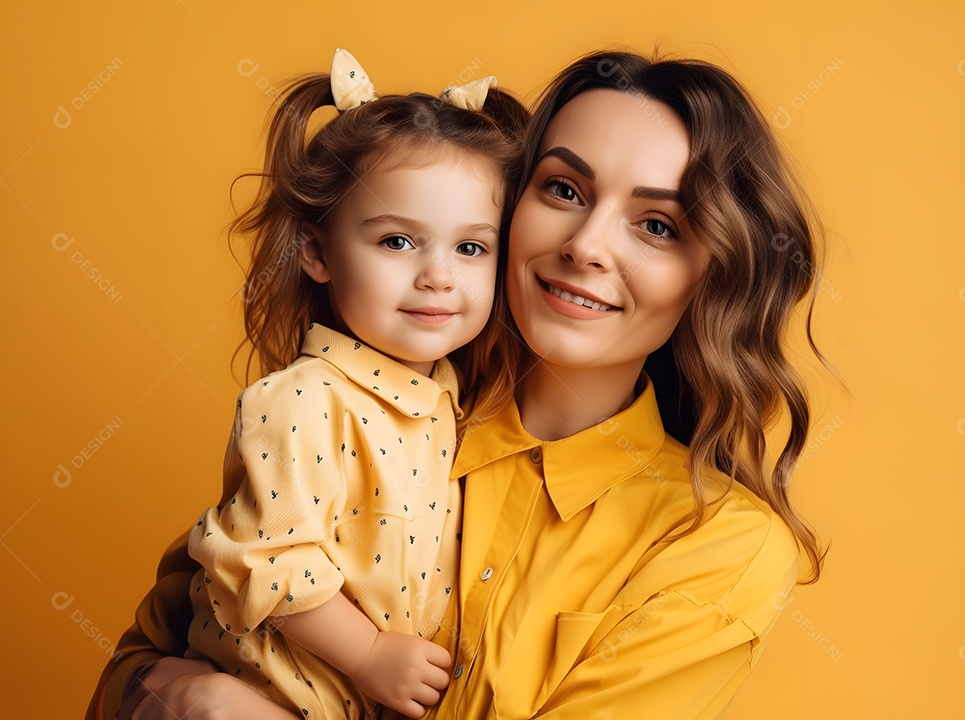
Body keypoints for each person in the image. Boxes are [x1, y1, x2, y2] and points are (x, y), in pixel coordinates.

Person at [87, 49, 825, 720]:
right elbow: (156, 650)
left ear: (715, 275)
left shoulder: (718, 544)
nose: (586, 246)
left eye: (659, 225)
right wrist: (184, 694)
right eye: (564, 189)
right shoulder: (366, 404)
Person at [110, 48, 528, 720]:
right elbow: (265, 559)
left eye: (471, 247)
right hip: (265, 698)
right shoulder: (305, 399)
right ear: (317, 252)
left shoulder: (453, 398)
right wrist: (367, 655)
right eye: (398, 241)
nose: (439, 276)